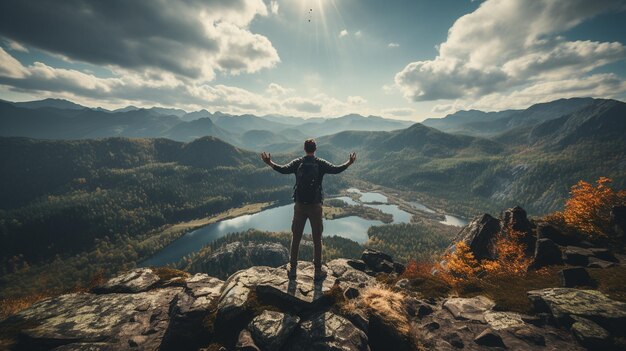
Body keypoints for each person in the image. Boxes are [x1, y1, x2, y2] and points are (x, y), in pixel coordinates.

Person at [261, 138, 356, 280]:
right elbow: (336, 170)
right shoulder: (320, 163)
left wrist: (270, 163)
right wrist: (349, 163)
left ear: (304, 149)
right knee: (317, 238)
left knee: (296, 236)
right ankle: (317, 270)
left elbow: (283, 169)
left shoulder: (298, 162)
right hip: (315, 206)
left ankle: (293, 269)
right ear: (315, 149)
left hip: (300, 206)